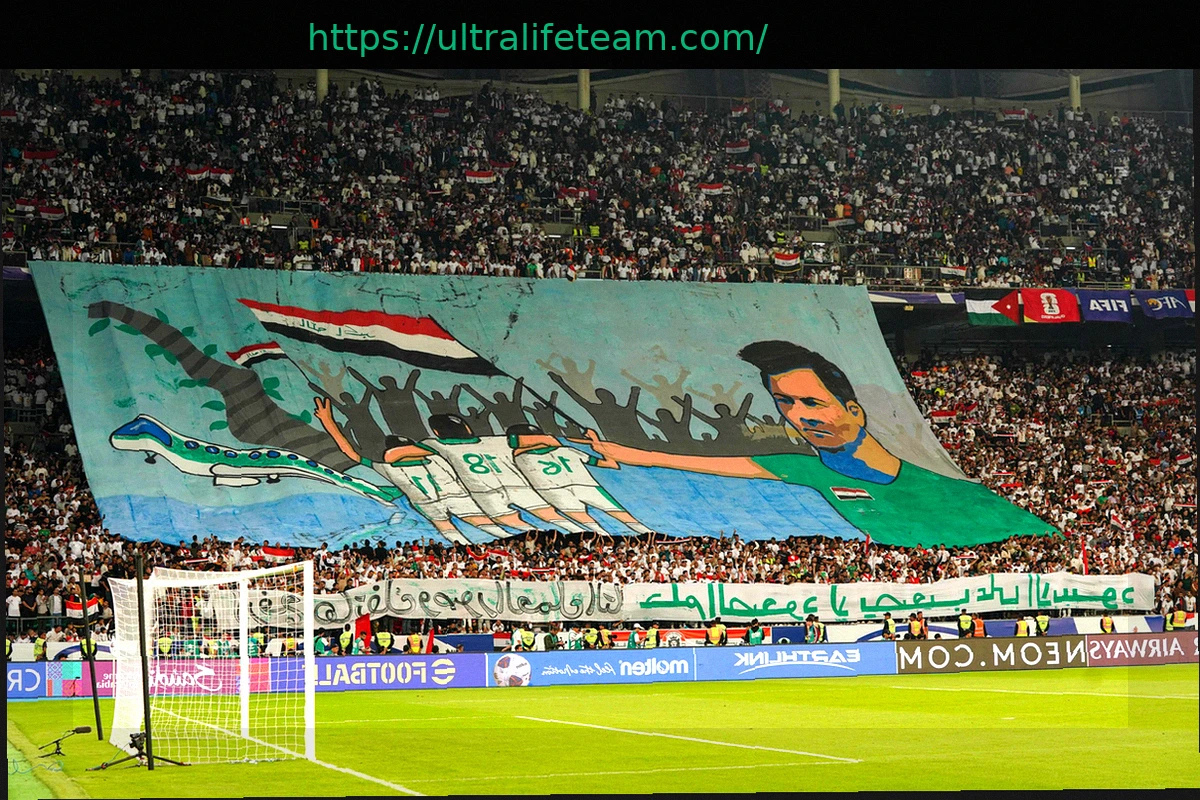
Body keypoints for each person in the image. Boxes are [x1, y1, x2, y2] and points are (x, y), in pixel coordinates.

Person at [580, 341, 1051, 548]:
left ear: (855, 411)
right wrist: (616, 451)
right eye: (784, 402)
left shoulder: (954, 492)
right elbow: (703, 463)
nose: (798, 415)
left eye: (811, 402)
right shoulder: (805, 469)